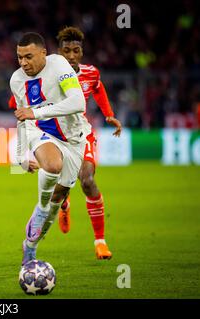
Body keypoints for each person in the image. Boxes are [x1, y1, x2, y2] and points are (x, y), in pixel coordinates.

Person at [10, 32, 91, 265]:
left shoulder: (59, 64)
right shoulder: (17, 80)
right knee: (53, 165)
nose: (24, 63)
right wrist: (21, 157)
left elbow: (78, 103)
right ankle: (42, 207)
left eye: (29, 56)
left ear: (44, 53)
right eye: (19, 57)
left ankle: (31, 245)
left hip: (74, 140)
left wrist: (36, 112)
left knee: (59, 197)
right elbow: (22, 117)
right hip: (41, 131)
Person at [56, 26, 122, 260]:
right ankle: (64, 205)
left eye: (76, 51)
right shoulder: (46, 73)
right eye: (66, 51)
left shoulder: (90, 73)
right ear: (59, 52)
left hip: (81, 134)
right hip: (54, 137)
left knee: (87, 180)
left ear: (81, 52)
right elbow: (21, 94)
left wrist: (109, 114)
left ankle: (100, 242)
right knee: (60, 187)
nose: (72, 56)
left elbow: (98, 88)